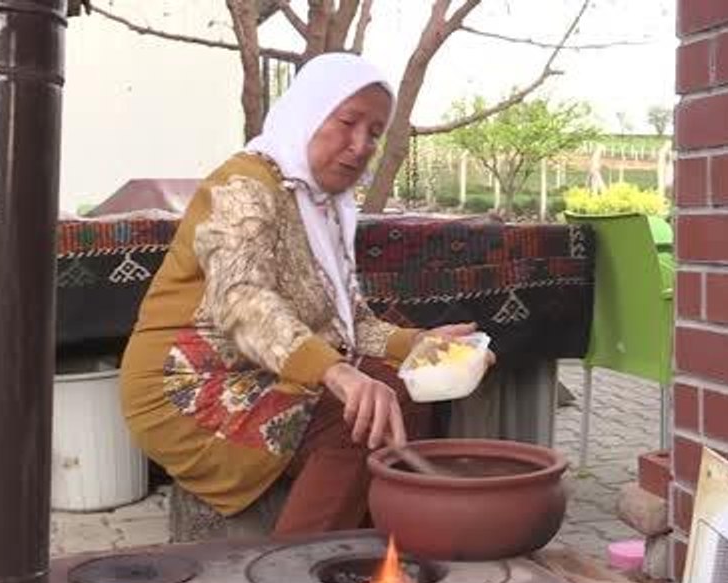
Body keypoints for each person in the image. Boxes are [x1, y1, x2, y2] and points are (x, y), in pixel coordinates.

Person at [120, 52, 480, 535]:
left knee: (403, 388)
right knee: (357, 421)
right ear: (308, 112)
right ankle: (293, 579)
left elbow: (351, 320)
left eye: (374, 132)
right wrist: (335, 373)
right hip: (191, 385)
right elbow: (242, 300)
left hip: (263, 369)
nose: (360, 145)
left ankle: (375, 543)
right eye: (348, 121)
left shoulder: (322, 205)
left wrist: (416, 347)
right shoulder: (245, 185)